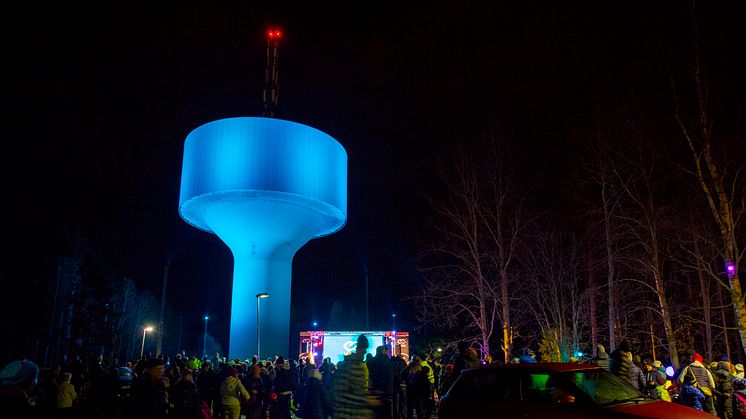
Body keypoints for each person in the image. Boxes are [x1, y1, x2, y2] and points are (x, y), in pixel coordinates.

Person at [332, 334, 372, 419]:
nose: (365, 352)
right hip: (349, 414)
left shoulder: (349, 364)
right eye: (365, 349)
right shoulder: (356, 366)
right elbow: (355, 394)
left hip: (346, 413)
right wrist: (368, 401)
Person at [368, 345, 394, 419]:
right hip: (385, 391)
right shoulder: (388, 362)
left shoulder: (371, 362)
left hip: (374, 391)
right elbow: (390, 377)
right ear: (384, 352)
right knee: (386, 413)